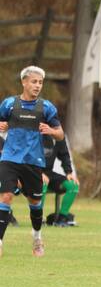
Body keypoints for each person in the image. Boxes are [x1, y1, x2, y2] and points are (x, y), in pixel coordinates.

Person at [0, 65, 64, 258]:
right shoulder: (9, 104)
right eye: (34, 82)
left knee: (35, 203)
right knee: (6, 197)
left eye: (40, 82)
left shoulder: (46, 107)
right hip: (9, 158)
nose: (37, 86)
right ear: (24, 82)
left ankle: (36, 236)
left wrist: (51, 131)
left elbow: (60, 134)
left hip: (33, 161)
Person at [41, 134, 79, 227]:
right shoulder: (32, 132)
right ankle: (38, 218)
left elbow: (64, 155)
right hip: (31, 172)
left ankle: (61, 218)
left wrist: (68, 172)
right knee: (42, 183)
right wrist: (37, 172)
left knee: (73, 185)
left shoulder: (57, 134)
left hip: (49, 173)